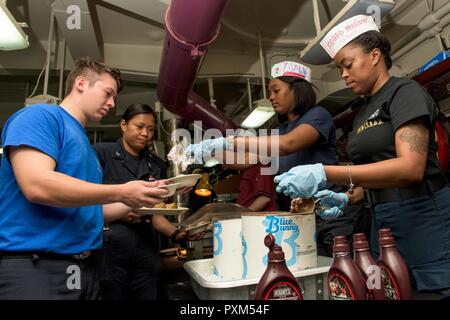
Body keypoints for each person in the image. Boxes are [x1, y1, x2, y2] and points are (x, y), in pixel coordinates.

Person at [274, 15, 450, 296]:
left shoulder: (404, 93)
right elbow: (371, 175)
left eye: (348, 64)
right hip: (382, 223)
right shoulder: (364, 111)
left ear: (375, 55)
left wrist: (326, 172)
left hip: (421, 218)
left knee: (430, 291)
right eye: (340, 68)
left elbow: (410, 167)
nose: (343, 74)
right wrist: (346, 197)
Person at [0, 57, 169, 300]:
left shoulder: (85, 146)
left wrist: (142, 195)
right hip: (36, 267)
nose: (112, 103)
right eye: (108, 93)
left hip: (85, 269)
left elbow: (92, 210)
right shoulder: (41, 117)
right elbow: (36, 185)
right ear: (81, 83)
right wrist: (121, 191)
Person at [94, 103, 201, 300]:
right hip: (111, 247)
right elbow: (88, 198)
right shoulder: (103, 154)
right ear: (124, 125)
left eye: (151, 129)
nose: (145, 133)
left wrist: (177, 234)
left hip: (145, 246)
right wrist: (120, 211)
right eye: (139, 126)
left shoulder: (155, 164)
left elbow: (154, 213)